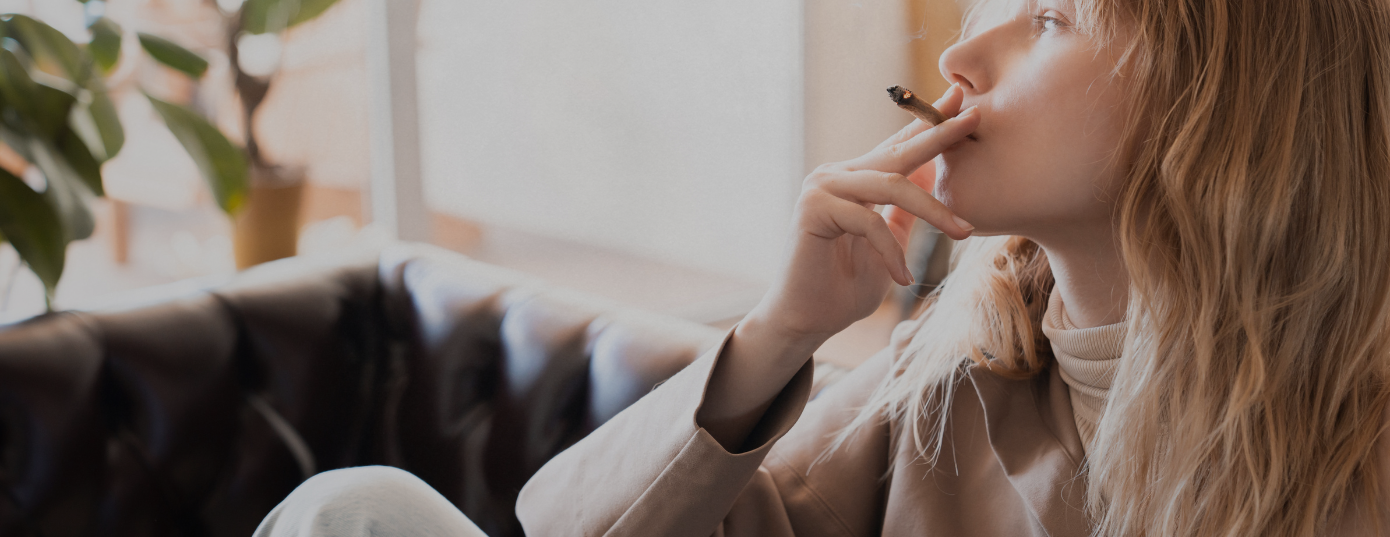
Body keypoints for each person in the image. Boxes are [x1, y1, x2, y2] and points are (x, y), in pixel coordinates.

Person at [255, 0, 1390, 535]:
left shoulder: (1352, 452)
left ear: (1230, 100)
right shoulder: (947, 384)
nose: (957, 55)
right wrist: (775, 336)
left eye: (1049, 18)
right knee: (354, 513)